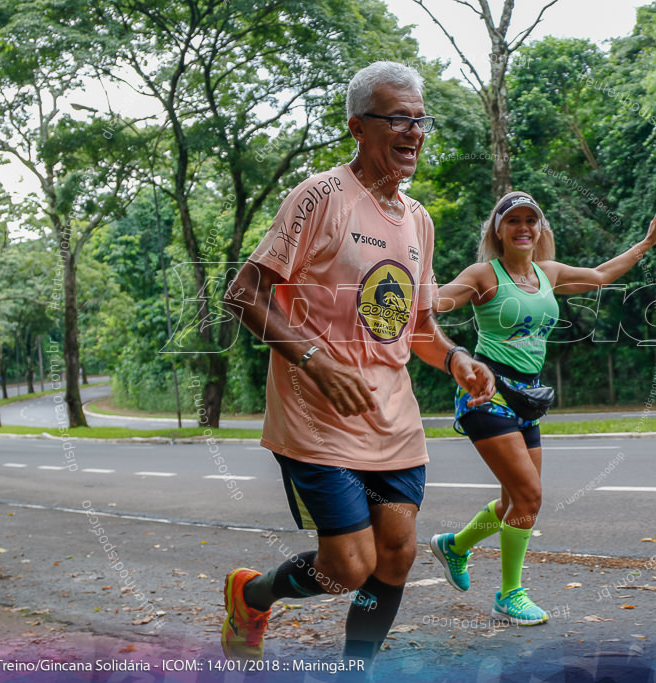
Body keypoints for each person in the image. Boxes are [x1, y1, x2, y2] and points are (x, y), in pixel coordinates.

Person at [219, 61, 495, 668]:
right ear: (358, 128)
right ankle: (252, 594)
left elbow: (416, 326)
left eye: (420, 120)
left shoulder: (417, 219)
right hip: (315, 418)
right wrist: (315, 359)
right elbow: (244, 293)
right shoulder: (321, 197)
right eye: (398, 118)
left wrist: (456, 359)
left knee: (395, 556)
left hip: (392, 422)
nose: (414, 132)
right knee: (347, 568)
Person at [430, 192, 656, 624]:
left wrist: (647, 243)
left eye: (531, 220)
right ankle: (509, 595)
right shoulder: (483, 275)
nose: (523, 227)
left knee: (513, 502)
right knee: (530, 497)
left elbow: (599, 275)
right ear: (498, 230)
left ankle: (455, 545)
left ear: (540, 229)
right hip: (489, 394)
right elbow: (433, 304)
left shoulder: (549, 273)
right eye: (514, 221)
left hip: (529, 398)